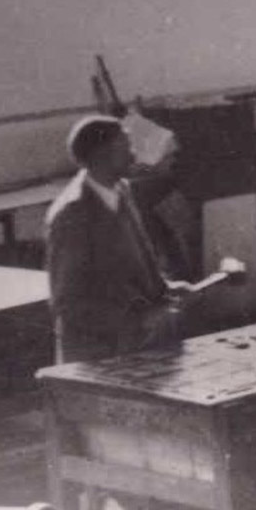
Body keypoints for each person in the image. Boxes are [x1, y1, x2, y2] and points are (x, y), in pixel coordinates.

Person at [44, 115, 181, 365]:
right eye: (126, 147)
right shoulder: (72, 213)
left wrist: (166, 290)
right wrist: (138, 319)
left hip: (135, 344)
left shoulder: (122, 190)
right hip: (94, 354)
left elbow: (137, 261)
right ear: (101, 154)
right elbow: (68, 304)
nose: (134, 156)